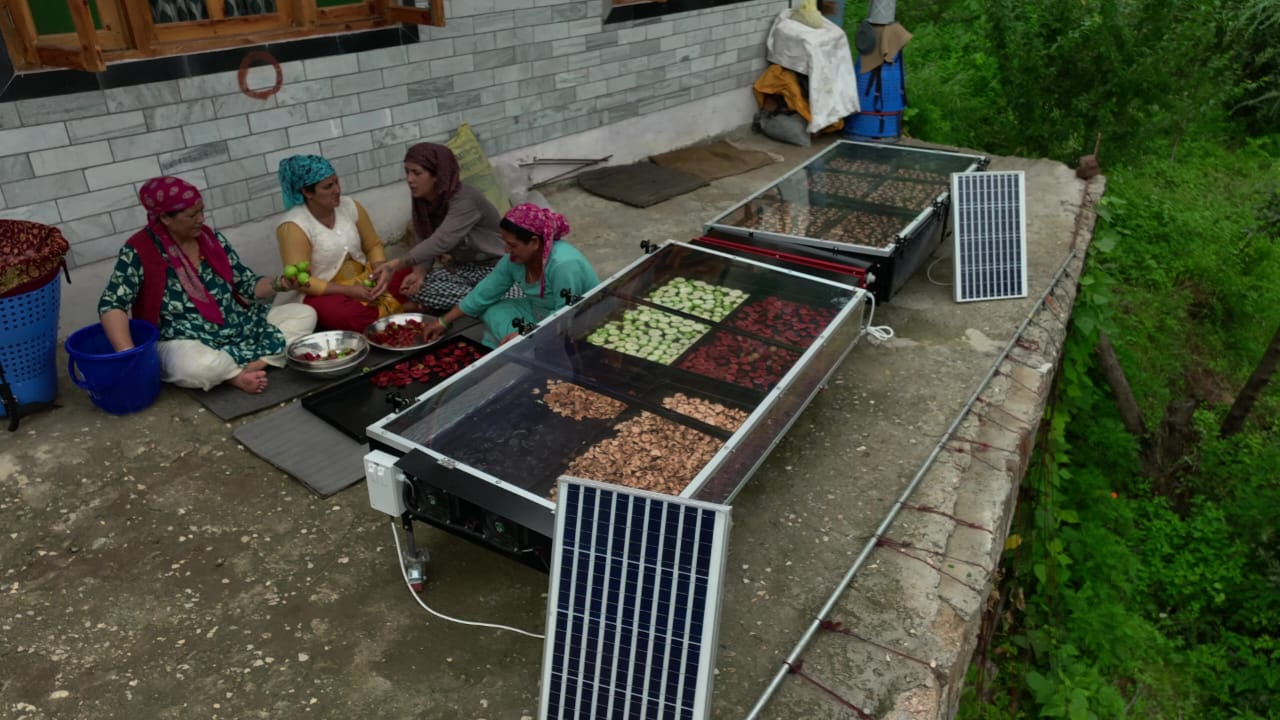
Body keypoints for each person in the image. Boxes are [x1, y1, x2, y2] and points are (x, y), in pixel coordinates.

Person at [98, 176, 317, 394]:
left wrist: (281, 283)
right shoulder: (139, 250)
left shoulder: (211, 240)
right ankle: (235, 370)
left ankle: (246, 368)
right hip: (183, 339)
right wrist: (129, 355)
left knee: (305, 314)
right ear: (165, 217)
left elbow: (248, 284)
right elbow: (112, 304)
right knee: (198, 366)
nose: (201, 219)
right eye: (192, 215)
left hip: (237, 326)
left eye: (202, 211)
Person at [423, 203, 599, 348]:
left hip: (576, 320)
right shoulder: (513, 259)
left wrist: (526, 332)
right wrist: (443, 321)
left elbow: (566, 313)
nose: (506, 250)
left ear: (534, 242)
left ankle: (523, 345)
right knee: (491, 309)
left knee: (545, 340)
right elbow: (485, 292)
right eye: (505, 243)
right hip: (537, 311)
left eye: (512, 245)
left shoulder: (564, 265)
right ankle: (518, 344)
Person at [370, 143, 507, 313]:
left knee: (507, 290)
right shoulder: (423, 200)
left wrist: (396, 264)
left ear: (437, 175)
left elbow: (441, 240)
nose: (409, 179)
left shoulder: (466, 199)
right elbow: (423, 237)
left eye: (417, 173)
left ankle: (491, 300)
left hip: (496, 268)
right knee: (418, 289)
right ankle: (488, 301)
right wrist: (419, 272)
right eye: (407, 172)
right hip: (463, 269)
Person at [276, 154, 405, 332]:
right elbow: (300, 280)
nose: (337, 190)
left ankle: (386, 318)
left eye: (337, 182)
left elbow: (373, 245)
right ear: (307, 192)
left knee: (408, 275)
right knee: (345, 315)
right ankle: (395, 317)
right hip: (324, 292)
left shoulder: (350, 206)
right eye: (328, 186)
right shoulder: (294, 226)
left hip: (364, 280)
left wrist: (381, 270)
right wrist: (349, 291)